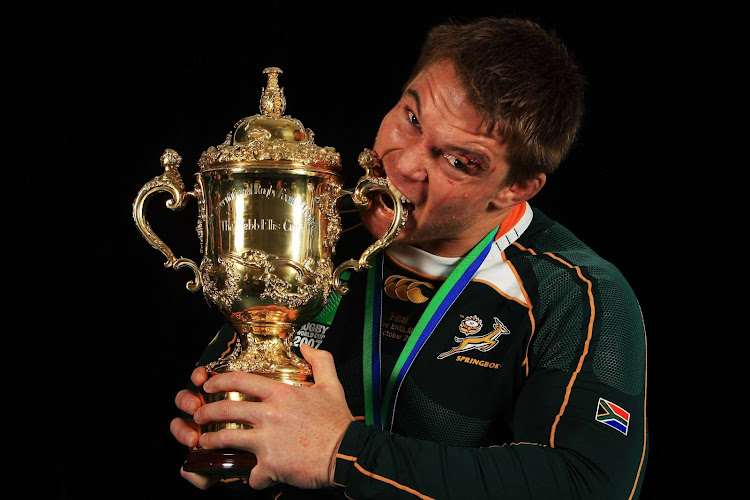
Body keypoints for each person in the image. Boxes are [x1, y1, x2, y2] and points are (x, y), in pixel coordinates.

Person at [170, 17, 648, 499]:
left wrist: (341, 451)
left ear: (514, 188)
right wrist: (227, 434)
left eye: (459, 161)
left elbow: (593, 482)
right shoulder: (316, 230)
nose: (402, 165)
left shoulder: (577, 294)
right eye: (412, 118)